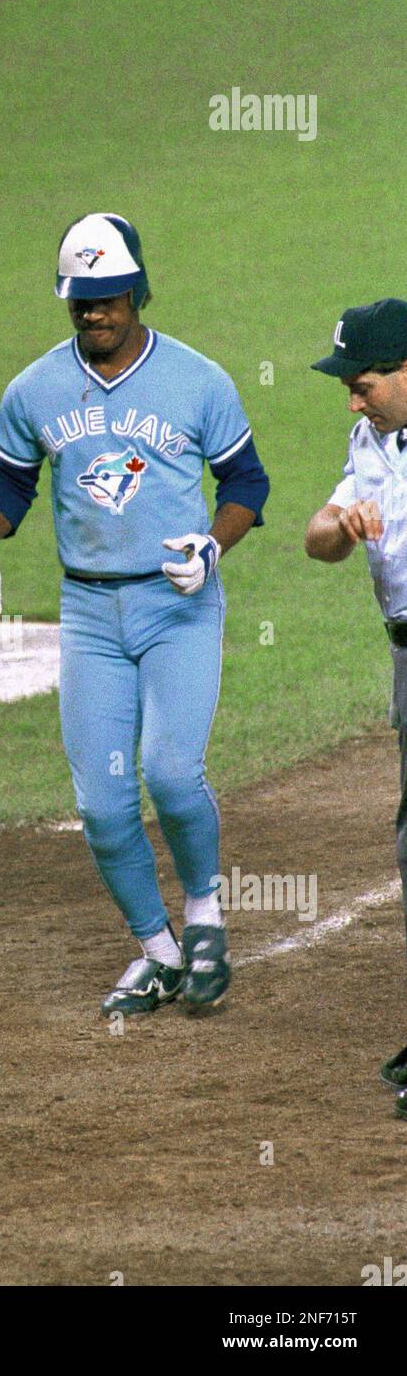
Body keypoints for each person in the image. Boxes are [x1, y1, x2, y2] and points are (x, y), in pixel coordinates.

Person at [0, 212, 269, 1017]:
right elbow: (9, 483)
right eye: (79, 302)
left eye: (106, 298)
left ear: (136, 292)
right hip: (88, 613)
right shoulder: (35, 389)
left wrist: (211, 546)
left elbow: (246, 487)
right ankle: (157, 951)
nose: (94, 314)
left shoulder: (198, 380)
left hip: (178, 605)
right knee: (100, 802)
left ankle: (203, 911)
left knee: (169, 770)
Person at [304, 299, 407, 1120]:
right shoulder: (372, 437)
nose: (352, 399)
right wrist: (341, 523)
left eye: (363, 384)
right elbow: (317, 535)